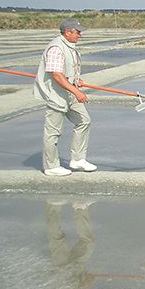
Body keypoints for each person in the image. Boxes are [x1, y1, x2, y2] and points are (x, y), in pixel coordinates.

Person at [34, 18, 96, 176]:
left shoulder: (69, 46)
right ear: (68, 32)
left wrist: (76, 81)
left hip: (68, 91)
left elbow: (66, 72)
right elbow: (57, 76)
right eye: (78, 32)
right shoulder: (56, 48)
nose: (80, 35)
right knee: (53, 131)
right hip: (56, 94)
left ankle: (78, 159)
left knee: (84, 120)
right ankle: (51, 166)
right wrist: (77, 92)